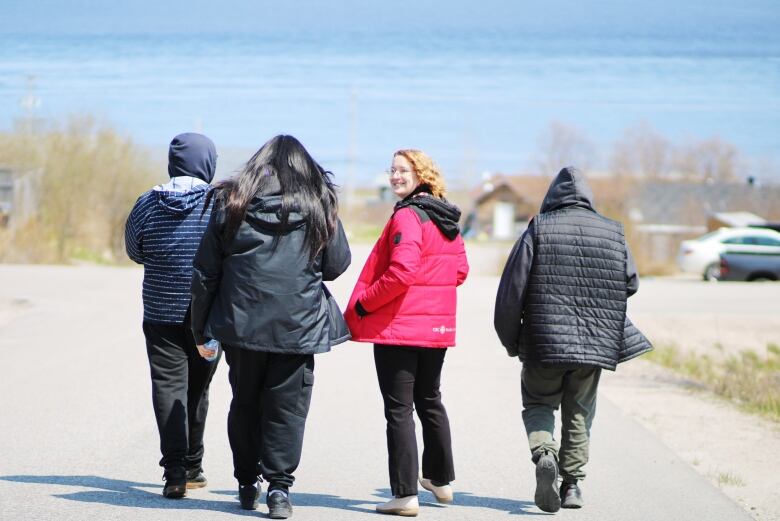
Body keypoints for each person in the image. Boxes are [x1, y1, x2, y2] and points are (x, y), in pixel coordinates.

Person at [190, 135, 351, 519]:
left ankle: (247, 483)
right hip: (297, 325)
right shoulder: (319, 205)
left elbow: (205, 272)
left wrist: (201, 329)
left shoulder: (232, 202)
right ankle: (279, 490)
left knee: (244, 402)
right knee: (287, 410)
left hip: (242, 325)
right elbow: (336, 264)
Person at [494, 167, 652, 513]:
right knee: (579, 413)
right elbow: (631, 282)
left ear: (552, 196)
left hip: (544, 341)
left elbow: (512, 291)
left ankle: (544, 453)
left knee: (538, 404)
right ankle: (572, 486)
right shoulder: (614, 231)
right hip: (595, 343)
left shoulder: (539, 228)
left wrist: (511, 341)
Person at [344, 149, 469, 517]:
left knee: (399, 410)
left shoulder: (408, 216)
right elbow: (459, 271)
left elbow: (402, 271)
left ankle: (404, 495)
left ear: (421, 174)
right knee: (430, 399)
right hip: (435, 327)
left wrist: (365, 303)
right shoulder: (445, 216)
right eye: (392, 170)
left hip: (399, 328)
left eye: (403, 170)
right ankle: (439, 479)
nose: (395, 176)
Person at [125, 132, 221, 498]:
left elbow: (135, 250)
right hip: (209, 317)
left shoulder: (147, 203)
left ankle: (176, 472)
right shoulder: (219, 203)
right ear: (207, 162)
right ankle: (193, 465)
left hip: (161, 313)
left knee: (168, 387)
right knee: (198, 388)